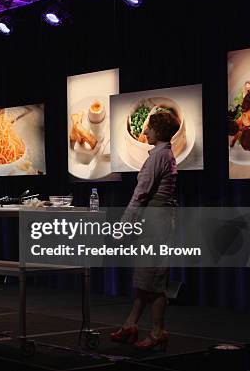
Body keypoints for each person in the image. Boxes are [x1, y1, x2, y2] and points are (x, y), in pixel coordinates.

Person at [110, 111, 180, 350]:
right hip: (157, 220)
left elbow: (140, 194)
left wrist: (123, 225)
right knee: (145, 278)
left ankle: (158, 332)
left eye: (149, 128)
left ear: (158, 131)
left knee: (155, 281)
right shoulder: (162, 155)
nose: (145, 131)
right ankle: (130, 324)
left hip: (155, 223)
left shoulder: (158, 157)